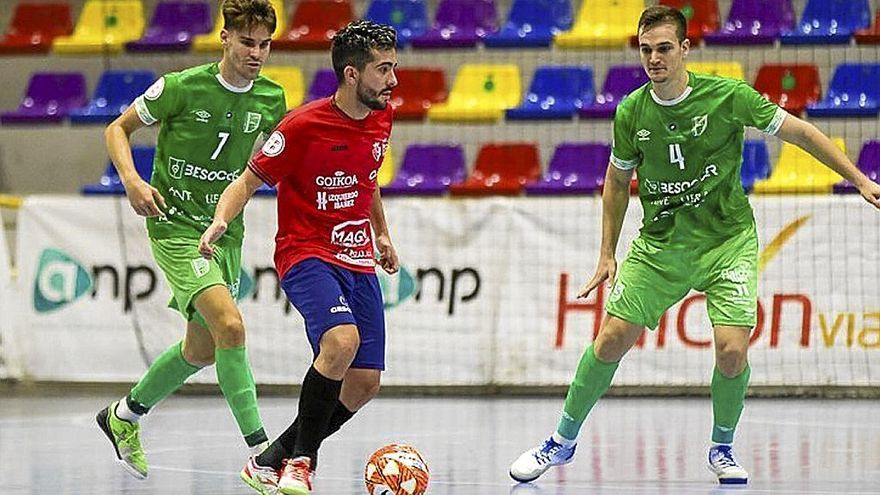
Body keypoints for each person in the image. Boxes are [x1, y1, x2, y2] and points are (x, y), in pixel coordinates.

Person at [509, 5, 880, 487]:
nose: (654, 59)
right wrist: (607, 252)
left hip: (727, 241)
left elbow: (803, 132)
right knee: (610, 339)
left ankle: (722, 448)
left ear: (685, 48)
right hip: (661, 247)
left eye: (664, 48)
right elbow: (617, 182)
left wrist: (859, 180)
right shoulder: (631, 112)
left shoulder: (727, 97)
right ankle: (561, 440)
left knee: (731, 352)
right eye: (646, 50)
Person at [199, 20, 400, 495]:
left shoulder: (382, 118)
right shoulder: (302, 126)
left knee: (365, 382)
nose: (393, 80)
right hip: (305, 252)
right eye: (383, 70)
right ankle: (303, 462)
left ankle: (272, 458)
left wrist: (383, 233)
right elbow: (247, 180)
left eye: (393, 68)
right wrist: (221, 221)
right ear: (352, 75)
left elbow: (366, 180)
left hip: (357, 258)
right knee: (340, 342)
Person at [96, 0, 286, 481]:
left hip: (226, 231)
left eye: (264, 44)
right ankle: (262, 456)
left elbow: (274, 168)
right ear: (225, 38)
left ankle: (123, 416)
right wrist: (133, 181)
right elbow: (117, 129)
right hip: (177, 226)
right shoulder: (181, 87)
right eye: (247, 42)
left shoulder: (271, 99)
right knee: (232, 327)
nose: (257, 53)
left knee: (202, 350)